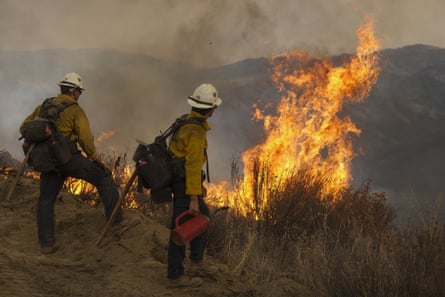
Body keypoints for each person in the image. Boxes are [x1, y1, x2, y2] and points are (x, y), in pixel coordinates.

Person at [19, 72, 123, 254]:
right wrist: (94, 159)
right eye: (79, 92)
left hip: (47, 161)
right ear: (74, 91)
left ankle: (46, 244)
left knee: (45, 201)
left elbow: (24, 127)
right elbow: (84, 138)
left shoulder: (44, 105)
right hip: (68, 159)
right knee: (104, 178)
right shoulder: (75, 110)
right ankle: (116, 223)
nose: (79, 95)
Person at [166, 83, 222, 288]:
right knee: (179, 228)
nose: (214, 110)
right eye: (214, 107)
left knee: (203, 217)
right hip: (184, 183)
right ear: (209, 109)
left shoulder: (186, 121)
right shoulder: (196, 132)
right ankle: (175, 276)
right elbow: (192, 165)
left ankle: (197, 261)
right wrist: (193, 198)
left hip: (181, 180)